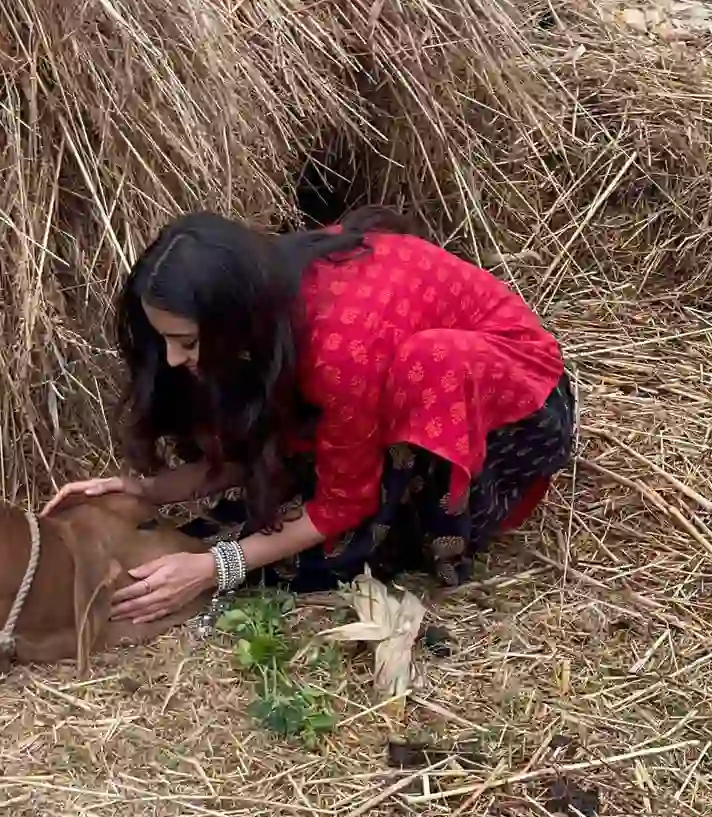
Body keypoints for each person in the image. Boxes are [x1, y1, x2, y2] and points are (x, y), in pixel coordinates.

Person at [42, 209, 574, 624]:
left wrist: (216, 568)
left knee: (334, 551)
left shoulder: (339, 351)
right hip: (393, 381)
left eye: (187, 342)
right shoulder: (269, 307)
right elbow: (273, 436)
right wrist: (145, 490)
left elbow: (341, 501)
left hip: (514, 410)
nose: (176, 359)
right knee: (275, 514)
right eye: (166, 341)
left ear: (234, 322)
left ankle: (443, 518)